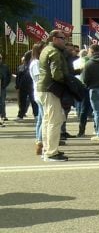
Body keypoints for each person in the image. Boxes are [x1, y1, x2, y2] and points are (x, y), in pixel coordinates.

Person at [36, 30, 71, 162]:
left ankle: (48, 149)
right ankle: (51, 152)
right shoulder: (54, 52)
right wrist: (68, 82)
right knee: (55, 121)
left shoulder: (46, 49)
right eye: (62, 38)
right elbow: (56, 74)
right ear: (55, 38)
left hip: (44, 88)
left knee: (47, 120)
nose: (65, 41)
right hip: (51, 89)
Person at [82, 44, 99, 141]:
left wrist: (88, 85)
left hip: (93, 89)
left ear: (91, 51)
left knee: (97, 113)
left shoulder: (88, 64)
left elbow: (85, 79)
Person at [29, 42, 46, 155]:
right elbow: (39, 77)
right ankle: (40, 141)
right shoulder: (36, 63)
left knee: (41, 118)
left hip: (39, 91)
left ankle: (39, 140)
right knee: (45, 119)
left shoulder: (37, 62)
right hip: (40, 91)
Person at [15, 51, 37, 121]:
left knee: (34, 101)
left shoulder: (33, 65)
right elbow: (18, 77)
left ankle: (36, 114)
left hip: (31, 86)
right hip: (23, 87)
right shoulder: (21, 67)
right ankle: (20, 115)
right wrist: (17, 86)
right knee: (23, 102)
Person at [0, 54, 12, 123]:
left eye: (0, 58)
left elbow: (9, 76)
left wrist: (5, 84)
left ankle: (3, 115)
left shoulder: (5, 67)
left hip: (2, 87)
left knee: (2, 102)